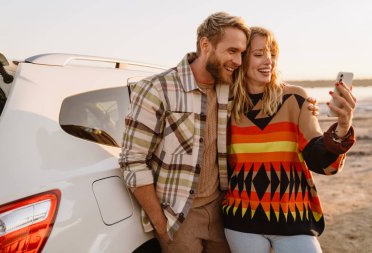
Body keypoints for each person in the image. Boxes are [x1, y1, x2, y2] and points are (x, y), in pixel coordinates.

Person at [119, 12, 250, 252]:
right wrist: (160, 222)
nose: (239, 61)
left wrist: (305, 103)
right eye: (232, 51)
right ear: (205, 45)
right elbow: (132, 160)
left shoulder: (230, 88)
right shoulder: (156, 88)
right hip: (178, 217)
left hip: (222, 210)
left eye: (242, 53)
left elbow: (268, 88)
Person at [222, 26, 356, 253]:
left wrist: (343, 126)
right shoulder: (226, 105)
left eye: (272, 54)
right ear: (242, 59)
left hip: (292, 218)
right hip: (241, 218)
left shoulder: (295, 98)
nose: (268, 61)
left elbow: (318, 157)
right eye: (258, 54)